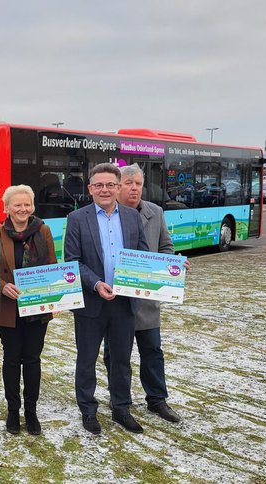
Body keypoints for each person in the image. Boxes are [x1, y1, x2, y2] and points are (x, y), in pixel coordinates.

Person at [63, 162, 148, 435]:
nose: (105, 189)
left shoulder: (133, 217)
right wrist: (97, 283)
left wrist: (167, 272)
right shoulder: (77, 219)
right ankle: (88, 411)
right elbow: (73, 261)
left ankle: (121, 408)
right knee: (86, 359)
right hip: (91, 302)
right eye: (98, 185)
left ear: (118, 187)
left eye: (110, 185)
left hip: (124, 303)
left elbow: (143, 256)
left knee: (122, 359)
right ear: (90, 189)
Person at [103, 164, 188, 423]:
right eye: (129, 183)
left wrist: (170, 266)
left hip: (146, 299)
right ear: (118, 187)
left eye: (138, 184)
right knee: (117, 356)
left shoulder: (156, 212)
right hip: (116, 300)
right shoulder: (108, 215)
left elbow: (166, 247)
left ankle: (157, 400)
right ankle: (120, 401)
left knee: (152, 351)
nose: (134, 188)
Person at [0, 185, 57, 436]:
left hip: (37, 308)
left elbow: (51, 266)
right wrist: (3, 286)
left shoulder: (44, 231)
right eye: (17, 205)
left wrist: (55, 299)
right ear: (6, 208)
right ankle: (13, 411)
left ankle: (31, 411)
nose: (23, 209)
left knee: (33, 359)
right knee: (12, 358)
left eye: (27, 204)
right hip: (7, 308)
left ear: (33, 207)